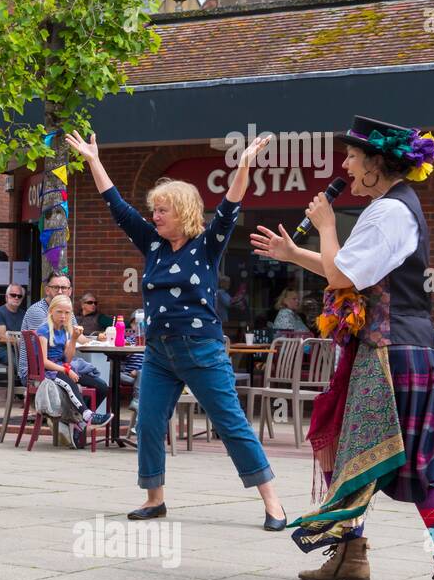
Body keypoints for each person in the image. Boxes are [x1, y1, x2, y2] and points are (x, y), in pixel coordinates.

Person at [251, 115, 434, 580]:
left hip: (397, 352)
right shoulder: (384, 209)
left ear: (376, 163)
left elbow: (340, 272)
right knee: (355, 451)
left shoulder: (391, 212)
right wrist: (295, 252)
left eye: (352, 158)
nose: (346, 167)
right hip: (381, 351)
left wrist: (327, 226)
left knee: (420, 467)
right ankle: (350, 555)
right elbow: (346, 272)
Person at [68, 129, 286, 529]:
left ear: (183, 212)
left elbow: (230, 205)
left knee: (230, 422)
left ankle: (273, 502)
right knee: (148, 420)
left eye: (163, 210)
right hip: (159, 352)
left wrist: (244, 166)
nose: (155, 216)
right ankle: (155, 498)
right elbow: (116, 206)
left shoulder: (207, 244)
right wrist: (93, 159)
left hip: (201, 348)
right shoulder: (151, 243)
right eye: (154, 210)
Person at [19, 272, 111, 410]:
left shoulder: (67, 311)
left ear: (70, 291)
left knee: (102, 386)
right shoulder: (38, 312)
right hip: (36, 371)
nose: (60, 291)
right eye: (56, 287)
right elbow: (46, 352)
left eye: (64, 287)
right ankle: (77, 419)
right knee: (79, 383)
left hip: (60, 366)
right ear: (47, 289)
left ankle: (77, 424)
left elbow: (77, 337)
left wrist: (97, 338)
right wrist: (67, 368)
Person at [37, 294, 112, 440]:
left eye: (67, 313)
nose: (63, 316)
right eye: (60, 312)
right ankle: (86, 415)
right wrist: (66, 370)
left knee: (102, 386)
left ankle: (80, 423)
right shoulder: (44, 330)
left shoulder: (65, 330)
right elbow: (44, 362)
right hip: (50, 371)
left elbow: (68, 358)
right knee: (69, 382)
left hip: (64, 366)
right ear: (51, 311)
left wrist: (73, 339)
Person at [0, 283, 25, 364]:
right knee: (20, 365)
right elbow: (2, 337)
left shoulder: (24, 314)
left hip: (21, 350)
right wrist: (19, 342)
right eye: (13, 295)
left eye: (19, 296)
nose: (16, 297)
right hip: (3, 350)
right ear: (6, 297)